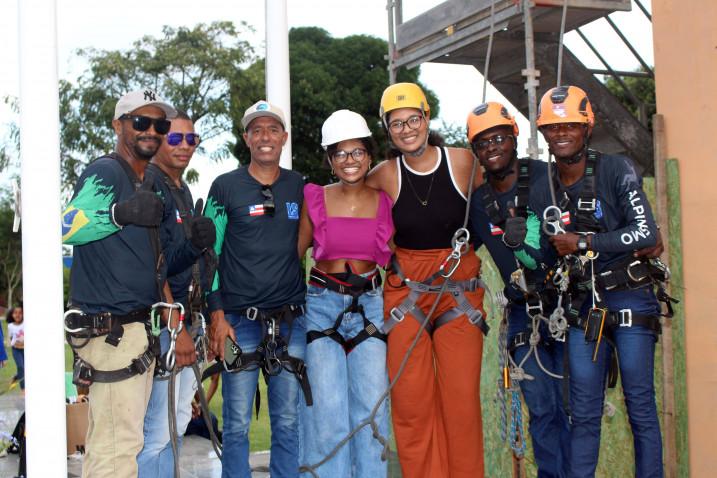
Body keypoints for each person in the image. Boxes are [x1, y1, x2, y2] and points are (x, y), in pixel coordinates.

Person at [534, 85, 668, 477]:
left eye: (570, 126)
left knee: (640, 409)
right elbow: (544, 250)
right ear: (543, 133)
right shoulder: (544, 187)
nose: (561, 134)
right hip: (583, 307)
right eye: (553, 128)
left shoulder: (615, 169)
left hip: (630, 298)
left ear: (587, 127)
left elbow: (645, 235)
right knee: (584, 413)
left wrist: (585, 240)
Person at [61, 88, 192, 478]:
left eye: (160, 124)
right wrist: (119, 213)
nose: (151, 130)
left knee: (123, 445)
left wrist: (195, 248)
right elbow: (66, 226)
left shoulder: (146, 182)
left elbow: (154, 266)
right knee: (117, 452)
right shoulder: (107, 171)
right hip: (112, 332)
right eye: (141, 122)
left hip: (138, 329)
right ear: (119, 125)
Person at [366, 82, 488, 478]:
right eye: (396, 123)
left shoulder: (463, 163)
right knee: (412, 405)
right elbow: (355, 216)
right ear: (388, 130)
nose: (406, 129)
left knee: (461, 405)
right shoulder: (383, 176)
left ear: (427, 118)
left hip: (459, 294)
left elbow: (491, 211)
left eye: (412, 119)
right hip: (407, 297)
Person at [204, 100, 307, 478]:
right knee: (235, 425)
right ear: (246, 137)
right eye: (257, 130)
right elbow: (208, 255)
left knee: (288, 422)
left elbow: (313, 240)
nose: (265, 137)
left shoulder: (300, 186)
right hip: (236, 323)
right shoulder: (224, 187)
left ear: (284, 137)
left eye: (272, 129)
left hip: (290, 323)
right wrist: (216, 317)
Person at [466, 102, 569, 477]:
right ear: (475, 151)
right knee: (542, 410)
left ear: (515, 138)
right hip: (525, 314)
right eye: (482, 142)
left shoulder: (549, 178)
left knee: (574, 408)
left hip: (566, 307)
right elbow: (457, 248)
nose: (492, 147)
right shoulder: (479, 204)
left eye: (499, 138)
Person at [298, 110, 392, 477]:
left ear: (369, 155)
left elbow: (403, 254)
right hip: (322, 305)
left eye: (357, 152)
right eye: (340, 153)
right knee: (328, 410)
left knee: (371, 410)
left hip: (369, 305)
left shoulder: (384, 202)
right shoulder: (315, 199)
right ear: (330, 159)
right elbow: (295, 255)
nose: (349, 161)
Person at [137, 111, 216, 477]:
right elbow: (153, 265)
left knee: (178, 421)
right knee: (156, 428)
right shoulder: (150, 184)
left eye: (191, 139)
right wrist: (176, 326)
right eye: (175, 138)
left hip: (189, 319)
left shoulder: (179, 188)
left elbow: (177, 260)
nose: (184, 146)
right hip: (167, 326)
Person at [7, 307, 24, 392]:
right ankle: (23, 389)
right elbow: (10, 340)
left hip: (25, 350)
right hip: (16, 350)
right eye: (15, 313)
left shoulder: (25, 323)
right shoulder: (10, 326)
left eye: (20, 313)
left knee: (26, 369)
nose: (17, 315)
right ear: (11, 315)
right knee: (21, 367)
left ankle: (15, 377)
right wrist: (17, 344)